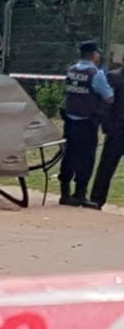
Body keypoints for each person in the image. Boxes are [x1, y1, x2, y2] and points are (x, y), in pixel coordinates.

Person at [58, 40, 114, 207]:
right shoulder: (95, 74)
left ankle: (65, 193)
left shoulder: (71, 70)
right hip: (87, 123)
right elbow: (109, 97)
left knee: (69, 156)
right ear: (93, 54)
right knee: (86, 158)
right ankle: (80, 194)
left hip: (70, 121)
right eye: (98, 53)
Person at [90, 56, 124, 210]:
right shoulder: (114, 77)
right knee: (106, 167)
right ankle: (97, 199)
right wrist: (108, 127)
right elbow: (105, 103)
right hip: (117, 130)